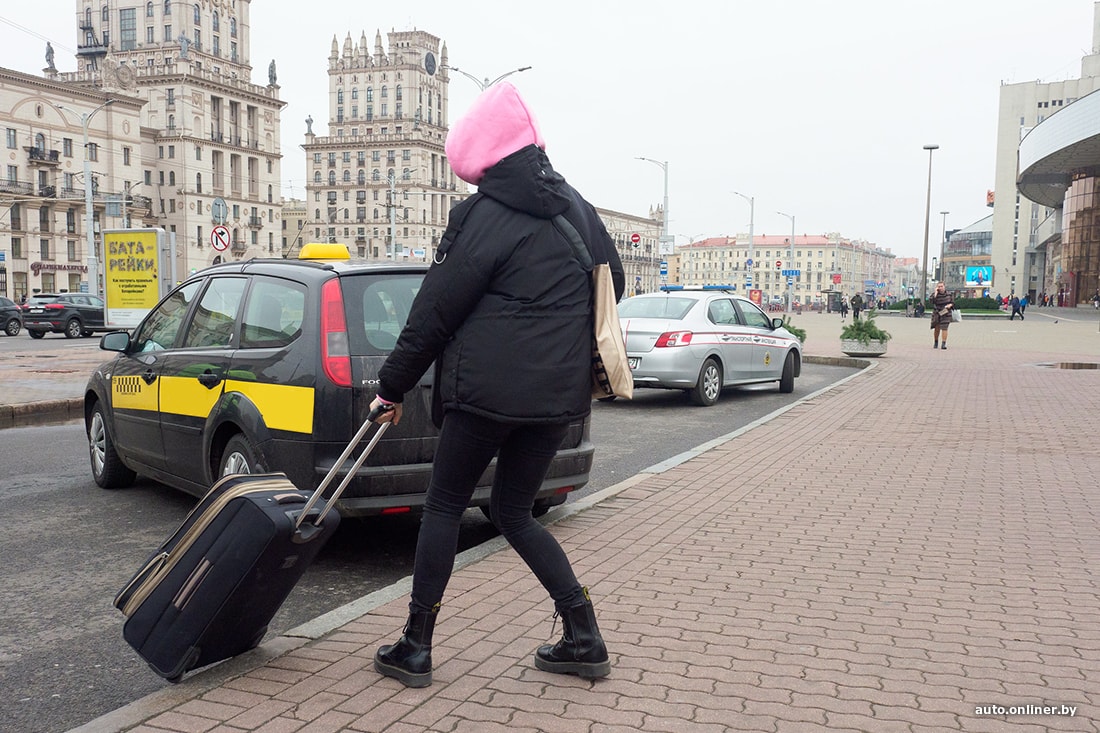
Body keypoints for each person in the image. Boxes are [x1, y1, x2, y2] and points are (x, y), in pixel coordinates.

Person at [367, 82, 623, 688]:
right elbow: (611, 285)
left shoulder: (481, 216)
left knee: (444, 506)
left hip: (483, 395)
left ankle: (416, 645)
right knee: (515, 512)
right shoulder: (578, 209)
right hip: (556, 399)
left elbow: (434, 311)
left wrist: (392, 388)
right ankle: (583, 633)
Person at [930, 281, 954, 349]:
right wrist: (935, 293)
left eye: (941, 286)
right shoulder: (935, 294)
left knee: (944, 328)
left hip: (946, 313)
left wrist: (950, 305)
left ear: (944, 286)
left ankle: (943, 343)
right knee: (937, 328)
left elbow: (953, 302)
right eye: (939, 286)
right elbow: (931, 301)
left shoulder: (949, 294)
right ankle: (936, 342)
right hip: (937, 313)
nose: (940, 288)